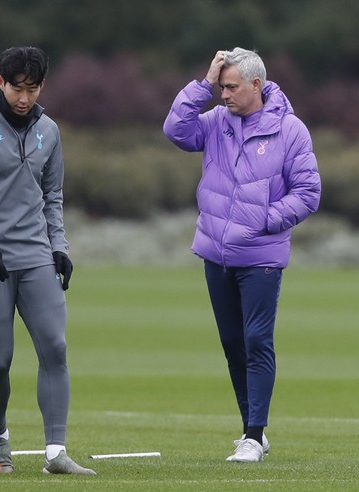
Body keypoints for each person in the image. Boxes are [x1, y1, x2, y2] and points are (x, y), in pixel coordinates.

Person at [163, 48, 321, 463]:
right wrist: (203, 83)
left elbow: (308, 193)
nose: (224, 94)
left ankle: (254, 434)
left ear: (256, 85)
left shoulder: (291, 131)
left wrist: (261, 221)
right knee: (233, 343)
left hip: (261, 255)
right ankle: (252, 432)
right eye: (221, 86)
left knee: (256, 340)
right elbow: (176, 131)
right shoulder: (216, 121)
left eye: (231, 87)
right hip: (216, 254)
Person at [0, 46, 95, 476]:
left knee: (55, 347)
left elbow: (53, 196)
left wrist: (60, 247)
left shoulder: (49, 130)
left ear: (41, 86)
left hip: (35, 257)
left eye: (32, 89)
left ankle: (55, 454)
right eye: (16, 88)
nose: (23, 98)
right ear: (0, 83)